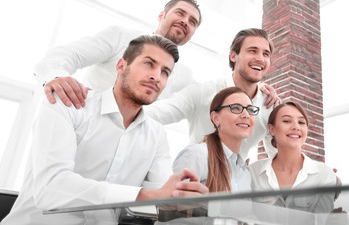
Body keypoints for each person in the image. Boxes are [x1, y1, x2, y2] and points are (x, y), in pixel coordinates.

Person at [1, 35, 208, 225]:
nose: (156, 76)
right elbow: (51, 189)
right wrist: (146, 196)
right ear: (120, 66)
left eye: (165, 72)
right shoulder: (68, 104)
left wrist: (183, 201)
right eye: (148, 64)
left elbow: (160, 200)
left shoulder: (156, 135)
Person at [34, 0, 202, 109]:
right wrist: (55, 77)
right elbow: (67, 55)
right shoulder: (120, 37)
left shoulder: (184, 75)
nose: (185, 21)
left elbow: (206, 100)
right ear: (161, 15)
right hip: (81, 130)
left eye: (192, 21)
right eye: (180, 13)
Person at [145, 28, 281, 159]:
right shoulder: (201, 93)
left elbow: (280, 159)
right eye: (252, 51)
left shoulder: (269, 106)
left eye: (266, 54)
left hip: (236, 180)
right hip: (194, 179)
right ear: (233, 56)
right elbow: (151, 115)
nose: (260, 59)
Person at [249, 101, 337, 213]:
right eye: (286, 121)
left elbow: (320, 221)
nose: (296, 127)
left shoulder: (324, 174)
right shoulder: (253, 172)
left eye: (301, 122)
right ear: (272, 129)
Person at [173, 87, 257, 193]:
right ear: (216, 118)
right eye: (236, 108)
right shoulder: (196, 155)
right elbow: (170, 205)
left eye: (250, 110)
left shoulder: (244, 172)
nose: (246, 115)